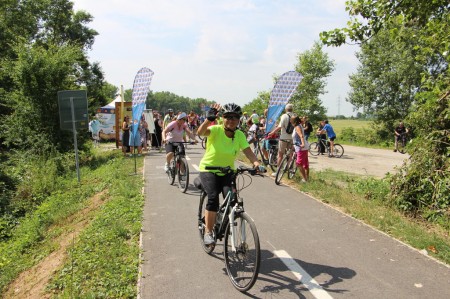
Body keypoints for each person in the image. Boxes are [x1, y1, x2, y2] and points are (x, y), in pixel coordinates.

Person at [197, 103, 264, 245]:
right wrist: (208, 119)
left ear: (239, 119)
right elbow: (201, 133)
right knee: (213, 197)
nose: (231, 120)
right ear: (222, 118)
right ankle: (208, 232)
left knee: (232, 200)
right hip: (209, 169)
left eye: (234, 117)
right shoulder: (216, 130)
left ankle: (221, 221)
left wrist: (256, 163)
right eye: (227, 117)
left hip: (227, 171)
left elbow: (248, 151)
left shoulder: (239, 135)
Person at [267, 103, 295, 176]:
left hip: (283, 138)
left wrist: (272, 133)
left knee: (280, 154)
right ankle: (290, 169)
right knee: (290, 154)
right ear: (292, 109)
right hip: (292, 138)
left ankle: (278, 172)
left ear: (286, 109)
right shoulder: (295, 116)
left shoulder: (284, 116)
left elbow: (280, 127)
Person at [292, 115, 309, 182]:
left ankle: (305, 179)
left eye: (291, 120)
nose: (290, 121)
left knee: (299, 163)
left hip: (301, 147)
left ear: (294, 121)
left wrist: (302, 144)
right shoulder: (299, 125)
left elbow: (301, 135)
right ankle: (307, 178)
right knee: (305, 163)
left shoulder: (297, 127)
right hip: (301, 147)